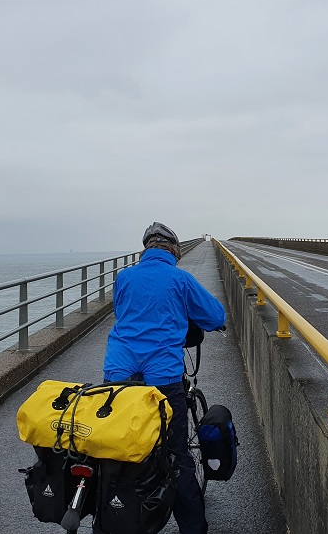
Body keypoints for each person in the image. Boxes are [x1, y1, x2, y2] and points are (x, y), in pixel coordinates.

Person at [102, 222, 226, 534]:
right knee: (176, 455)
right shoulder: (180, 278)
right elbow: (215, 316)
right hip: (163, 378)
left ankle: (109, 522)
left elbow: (123, 312)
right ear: (174, 251)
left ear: (145, 250)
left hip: (118, 376)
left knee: (114, 451)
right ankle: (192, 528)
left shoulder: (125, 277)